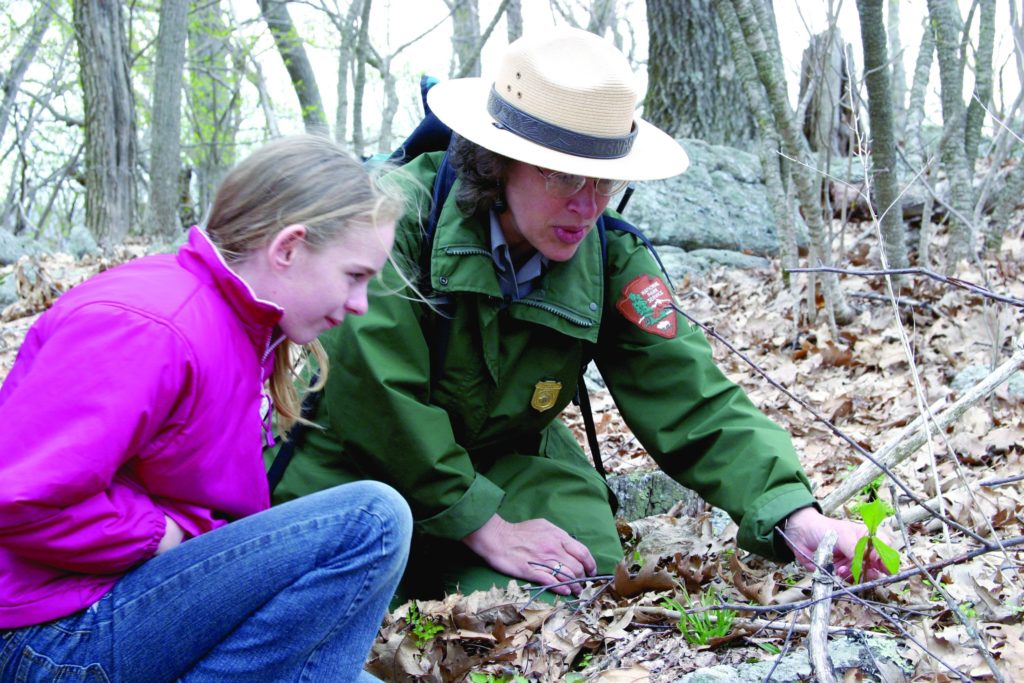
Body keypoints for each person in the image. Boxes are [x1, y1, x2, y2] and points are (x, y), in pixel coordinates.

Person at [271, 28, 889, 600]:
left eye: (604, 179)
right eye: (564, 175)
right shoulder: (393, 219)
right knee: (324, 593)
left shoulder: (607, 259)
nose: (588, 205)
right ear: (497, 158)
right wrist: (483, 525)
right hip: (356, 468)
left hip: (500, 463)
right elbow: (377, 398)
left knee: (578, 570)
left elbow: (691, 396)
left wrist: (794, 517)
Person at [0, 134, 411, 682]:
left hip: (116, 604)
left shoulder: (244, 331)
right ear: (288, 248)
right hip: (50, 634)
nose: (359, 303)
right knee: (372, 521)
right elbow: (20, 495)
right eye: (353, 276)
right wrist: (158, 535)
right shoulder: (150, 326)